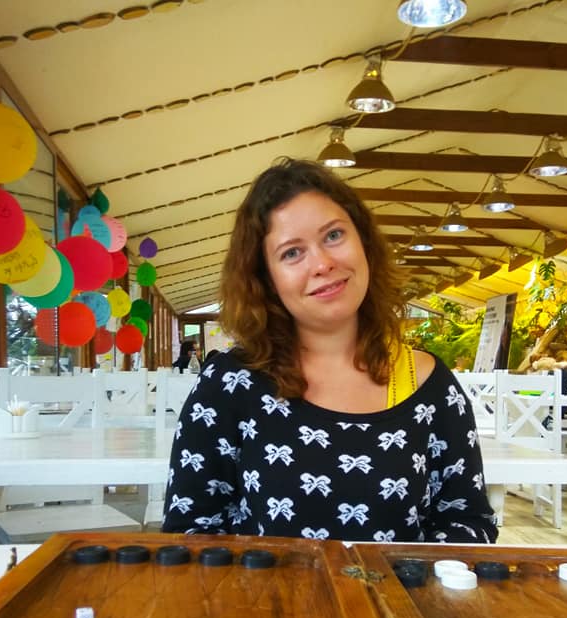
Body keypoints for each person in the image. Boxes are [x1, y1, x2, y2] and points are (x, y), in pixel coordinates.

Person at [161, 158, 497, 543]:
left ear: (364, 242)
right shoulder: (230, 385)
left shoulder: (427, 384)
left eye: (334, 235)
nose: (322, 263)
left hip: (399, 586)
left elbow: (468, 521)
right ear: (265, 279)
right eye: (291, 253)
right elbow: (191, 532)